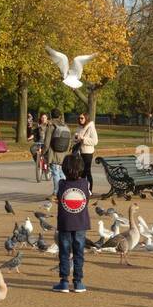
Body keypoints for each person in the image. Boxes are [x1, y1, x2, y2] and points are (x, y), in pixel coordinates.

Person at [52, 153, 91, 293]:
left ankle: (63, 281)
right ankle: (78, 282)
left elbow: (58, 197)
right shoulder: (85, 184)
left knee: (64, 252)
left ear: (64, 169)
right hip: (81, 223)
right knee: (79, 252)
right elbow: (87, 199)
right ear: (82, 169)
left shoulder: (62, 184)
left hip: (65, 223)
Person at [75, 111, 97, 182]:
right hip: (79, 152)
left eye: (82, 118)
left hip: (88, 153)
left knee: (87, 171)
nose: (80, 119)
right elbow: (74, 139)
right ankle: (83, 188)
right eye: (79, 118)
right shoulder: (79, 127)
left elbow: (95, 141)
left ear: (86, 118)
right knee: (81, 171)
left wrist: (83, 139)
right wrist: (76, 137)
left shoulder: (91, 127)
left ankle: (89, 190)